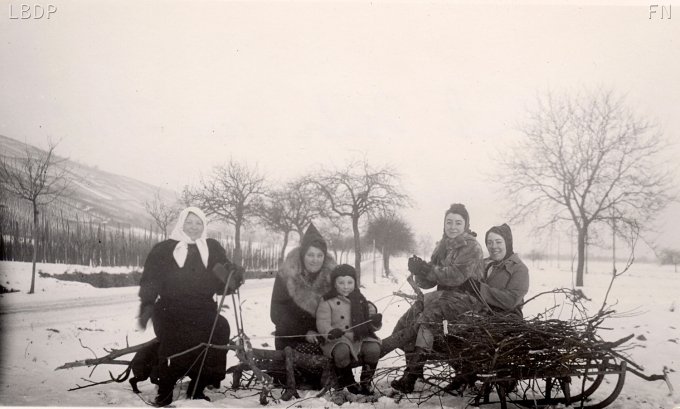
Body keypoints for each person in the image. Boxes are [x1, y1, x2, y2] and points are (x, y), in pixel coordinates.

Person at [137, 207, 244, 407]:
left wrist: (232, 275)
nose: (194, 227)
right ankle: (165, 390)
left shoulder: (211, 249)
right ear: (181, 223)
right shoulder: (164, 249)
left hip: (203, 308)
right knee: (174, 337)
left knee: (219, 327)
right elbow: (150, 281)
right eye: (189, 222)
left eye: (198, 223)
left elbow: (223, 283)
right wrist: (146, 306)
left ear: (204, 226)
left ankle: (198, 386)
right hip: (169, 308)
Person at [391, 203, 485, 393]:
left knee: (428, 318)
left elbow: (455, 275)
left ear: (466, 225)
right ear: (444, 224)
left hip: (466, 298)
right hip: (443, 296)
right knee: (406, 320)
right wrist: (418, 271)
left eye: (458, 223)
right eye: (449, 222)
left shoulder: (471, 247)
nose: (453, 226)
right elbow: (428, 283)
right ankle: (414, 369)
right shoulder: (441, 246)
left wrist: (427, 269)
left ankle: (411, 375)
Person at [270, 223, 336, 387]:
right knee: (309, 363)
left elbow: (346, 302)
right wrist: (304, 332)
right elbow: (276, 312)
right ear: (302, 255)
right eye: (310, 255)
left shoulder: (332, 278)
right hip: (291, 336)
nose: (315, 260)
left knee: (333, 356)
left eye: (319, 255)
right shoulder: (286, 276)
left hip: (323, 337)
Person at [316, 264, 382, 395]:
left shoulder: (361, 300)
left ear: (355, 283)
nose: (346, 286)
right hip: (336, 339)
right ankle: (349, 382)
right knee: (341, 352)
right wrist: (330, 331)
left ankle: (366, 381)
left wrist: (375, 321)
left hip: (358, 337)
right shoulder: (327, 301)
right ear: (334, 283)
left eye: (350, 282)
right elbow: (322, 322)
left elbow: (368, 323)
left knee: (374, 349)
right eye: (341, 282)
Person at [479, 223, 530, 318]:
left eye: (498, 242)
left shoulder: (519, 268)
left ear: (507, 243)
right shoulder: (482, 264)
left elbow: (511, 300)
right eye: (489, 242)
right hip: (478, 318)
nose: (493, 246)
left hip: (506, 322)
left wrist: (479, 289)